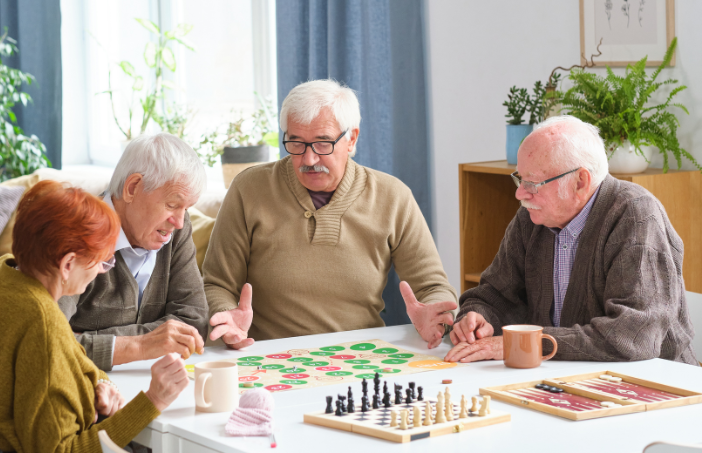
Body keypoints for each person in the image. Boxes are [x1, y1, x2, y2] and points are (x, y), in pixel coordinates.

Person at [0, 181, 189, 453]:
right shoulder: (41, 320)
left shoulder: (0, 273)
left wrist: (101, 382)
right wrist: (153, 400)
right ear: (67, 265)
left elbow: (71, 356)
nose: (101, 271)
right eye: (101, 261)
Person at [203, 79, 457, 349]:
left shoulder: (393, 196)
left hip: (360, 357)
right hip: (268, 355)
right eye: (296, 143)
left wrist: (436, 314)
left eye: (323, 143)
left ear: (352, 139)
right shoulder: (249, 189)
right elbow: (217, 283)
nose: (309, 160)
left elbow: (432, 287)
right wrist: (226, 316)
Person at [444, 115, 697, 365]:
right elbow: (494, 294)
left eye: (533, 182)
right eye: (520, 178)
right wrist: (476, 318)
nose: (520, 193)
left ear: (580, 182)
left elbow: (631, 336)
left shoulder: (636, 215)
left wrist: (526, 344)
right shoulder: (532, 218)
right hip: (561, 376)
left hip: (655, 385)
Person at [59, 134, 208, 371]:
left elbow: (194, 322)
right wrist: (140, 346)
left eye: (186, 209)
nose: (179, 222)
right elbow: (52, 345)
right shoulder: (77, 230)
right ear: (132, 188)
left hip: (154, 378)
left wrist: (90, 339)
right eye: (171, 205)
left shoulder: (176, 229)